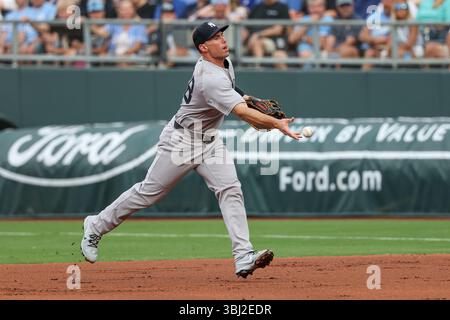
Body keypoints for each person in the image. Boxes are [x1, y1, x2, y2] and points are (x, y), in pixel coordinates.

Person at [81, 21, 301, 278]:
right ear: (203, 48)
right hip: (182, 141)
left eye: (222, 35)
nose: (223, 40)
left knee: (230, 189)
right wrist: (276, 124)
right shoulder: (209, 78)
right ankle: (95, 226)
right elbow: (241, 112)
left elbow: (236, 95)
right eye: (216, 37)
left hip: (209, 141)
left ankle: (243, 257)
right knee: (149, 193)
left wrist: (250, 100)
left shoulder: (224, 64)